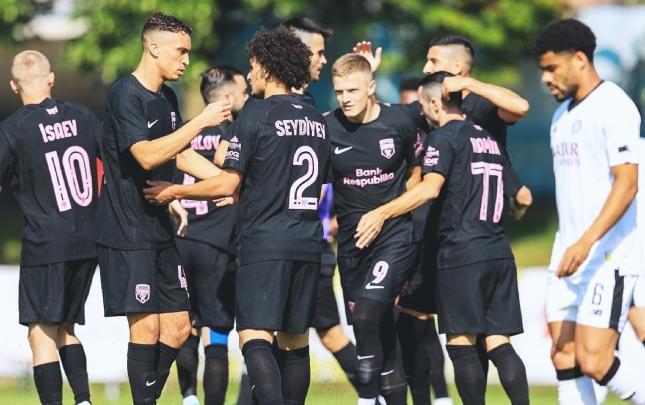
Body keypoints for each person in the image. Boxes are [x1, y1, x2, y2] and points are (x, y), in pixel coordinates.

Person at [144, 27, 331, 405]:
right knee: (296, 341)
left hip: (266, 243)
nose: (249, 73)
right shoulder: (316, 118)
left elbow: (227, 184)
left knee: (253, 336)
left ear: (268, 68)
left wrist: (176, 191)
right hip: (309, 243)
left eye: (253, 65)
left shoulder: (256, 114)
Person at [354, 71, 530, 405]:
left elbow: (430, 189)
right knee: (499, 344)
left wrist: (382, 212)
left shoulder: (443, 137)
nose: (421, 112)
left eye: (422, 105)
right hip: (498, 251)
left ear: (436, 103)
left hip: (462, 253)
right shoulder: (487, 137)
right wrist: (513, 212)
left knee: (461, 347)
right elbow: (522, 197)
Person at [97, 12, 232, 404]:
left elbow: (181, 154)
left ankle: (146, 399)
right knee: (147, 330)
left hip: (159, 230)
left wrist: (225, 181)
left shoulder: (167, 98)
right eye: (181, 51)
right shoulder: (125, 94)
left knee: (177, 329)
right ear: (154, 47)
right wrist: (201, 122)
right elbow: (146, 155)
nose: (187, 60)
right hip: (126, 233)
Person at [534, 18, 645, 404]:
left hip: (606, 255)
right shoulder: (560, 116)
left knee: (595, 361)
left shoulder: (614, 106)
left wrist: (586, 242)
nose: (545, 78)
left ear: (579, 59)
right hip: (567, 254)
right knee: (564, 356)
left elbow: (627, 184)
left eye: (552, 68)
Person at [0, 50, 101, 405]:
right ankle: (83, 400)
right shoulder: (84, 116)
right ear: (51, 78)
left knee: (40, 333)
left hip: (46, 243)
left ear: (14, 86)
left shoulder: (13, 129)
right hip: (87, 240)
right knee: (66, 328)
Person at [327, 53, 419, 405]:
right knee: (377, 328)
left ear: (371, 88)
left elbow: (417, 173)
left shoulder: (399, 122)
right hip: (352, 247)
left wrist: (387, 212)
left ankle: (366, 399)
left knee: (366, 316)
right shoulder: (328, 128)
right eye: (339, 91)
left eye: (353, 90)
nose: (345, 98)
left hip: (394, 238)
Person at [282, 16, 362, 393]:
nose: (323, 60)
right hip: (281, 244)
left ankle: (374, 394)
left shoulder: (310, 109)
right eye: (318, 53)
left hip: (305, 245)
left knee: (306, 335)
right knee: (271, 335)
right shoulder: (277, 107)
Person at [173, 65, 248, 405]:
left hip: (181, 240)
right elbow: (225, 164)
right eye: (243, 93)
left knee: (185, 326)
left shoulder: (183, 131)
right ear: (227, 98)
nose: (247, 98)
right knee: (216, 333)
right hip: (217, 245)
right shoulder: (232, 132)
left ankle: (188, 397)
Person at [394, 77, 453, 405]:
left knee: (419, 319)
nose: (412, 113)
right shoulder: (401, 137)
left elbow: (425, 186)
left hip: (427, 237)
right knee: (414, 320)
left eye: (415, 106)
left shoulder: (437, 139)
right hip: (407, 234)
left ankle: (439, 396)